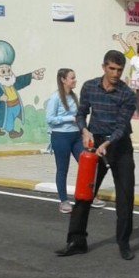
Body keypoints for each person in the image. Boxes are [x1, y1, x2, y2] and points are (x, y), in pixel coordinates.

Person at [56, 50, 137, 260]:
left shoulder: (127, 94)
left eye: (120, 70)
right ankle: (76, 241)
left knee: (125, 197)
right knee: (84, 194)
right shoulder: (90, 87)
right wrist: (84, 130)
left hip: (119, 146)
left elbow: (122, 126)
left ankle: (124, 243)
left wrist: (108, 143)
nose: (116, 73)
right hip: (95, 144)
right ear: (104, 67)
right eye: (112, 68)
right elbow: (81, 113)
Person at [46, 67, 81, 214]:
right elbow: (49, 119)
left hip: (76, 136)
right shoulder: (55, 98)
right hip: (61, 136)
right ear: (63, 80)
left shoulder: (74, 96)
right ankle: (64, 201)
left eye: (74, 77)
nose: (75, 80)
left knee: (88, 164)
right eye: (72, 78)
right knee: (62, 169)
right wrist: (69, 118)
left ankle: (89, 196)